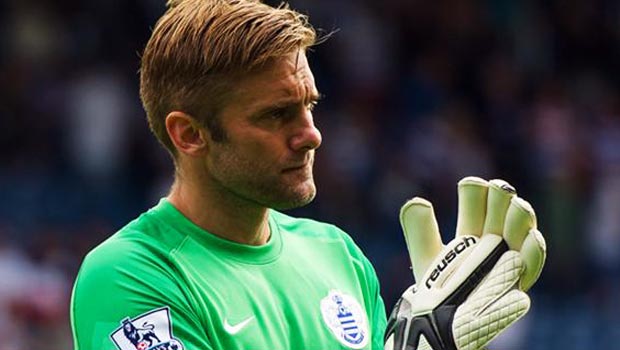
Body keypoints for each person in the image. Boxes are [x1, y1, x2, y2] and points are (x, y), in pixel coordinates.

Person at [71, 1, 545, 349]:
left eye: (309, 106)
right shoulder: (130, 276)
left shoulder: (338, 256)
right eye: (277, 115)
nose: (311, 135)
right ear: (190, 135)